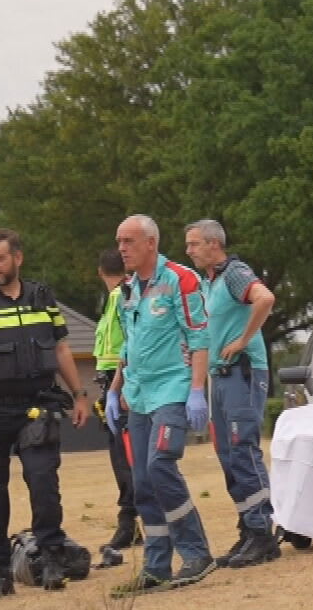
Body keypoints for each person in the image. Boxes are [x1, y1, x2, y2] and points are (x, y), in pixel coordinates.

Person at [0, 228, 91, 604]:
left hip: (37, 407)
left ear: (18, 258)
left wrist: (80, 395)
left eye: (0, 259)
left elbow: (60, 349)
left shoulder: (43, 298)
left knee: (44, 485)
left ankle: (52, 559)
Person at [106, 214, 215, 594]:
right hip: (138, 395)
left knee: (160, 464)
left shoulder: (180, 280)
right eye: (119, 241)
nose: (121, 248)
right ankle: (156, 567)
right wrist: (114, 389)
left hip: (173, 388)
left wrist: (198, 390)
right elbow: (129, 344)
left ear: (151, 242)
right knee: (141, 482)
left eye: (129, 241)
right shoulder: (127, 290)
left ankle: (197, 553)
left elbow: (199, 337)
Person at [182, 218, 280, 569]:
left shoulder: (234, 273)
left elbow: (265, 298)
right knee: (227, 454)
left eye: (194, 244)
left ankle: (262, 534)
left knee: (243, 450)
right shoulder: (208, 284)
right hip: (220, 377)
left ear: (213, 244)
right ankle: (248, 528)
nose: (189, 250)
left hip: (242, 372)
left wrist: (242, 341)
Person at [93, 247, 140, 552]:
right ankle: (130, 522)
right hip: (114, 382)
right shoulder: (118, 297)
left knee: (126, 459)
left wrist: (117, 389)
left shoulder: (122, 295)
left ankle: (130, 522)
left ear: (100, 272)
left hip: (121, 382)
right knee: (121, 457)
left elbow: (128, 343)